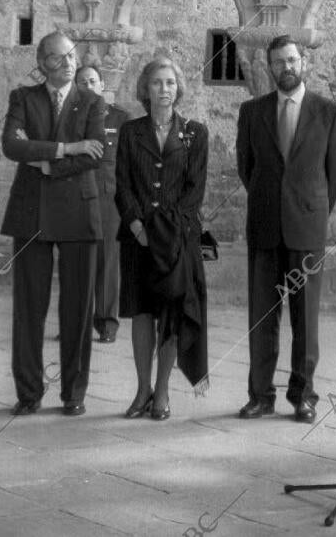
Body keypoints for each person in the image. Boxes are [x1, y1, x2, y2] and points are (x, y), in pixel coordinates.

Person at [236, 35, 336, 423]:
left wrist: (308, 209)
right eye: (279, 61)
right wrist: (274, 202)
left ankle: (304, 395)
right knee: (262, 318)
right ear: (269, 67)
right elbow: (246, 168)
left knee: (306, 319)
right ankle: (260, 395)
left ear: (304, 63)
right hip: (265, 226)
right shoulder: (252, 112)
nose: (287, 66)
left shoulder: (328, 113)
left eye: (292, 59)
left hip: (306, 229)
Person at [1, 31, 105, 417]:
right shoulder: (23, 98)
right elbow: (12, 145)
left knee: (78, 309)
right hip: (32, 214)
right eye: (59, 58)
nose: (69, 63)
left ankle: (73, 393)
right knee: (29, 308)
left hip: (79, 211)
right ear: (43, 62)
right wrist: (66, 148)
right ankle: (29, 393)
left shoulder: (93, 102)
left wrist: (44, 160)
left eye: (71, 56)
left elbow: (94, 153)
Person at [115, 57, 209, 420]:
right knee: (141, 314)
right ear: (146, 89)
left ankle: (163, 392)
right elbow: (123, 185)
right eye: (157, 83)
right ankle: (142, 389)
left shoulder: (195, 133)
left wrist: (166, 234)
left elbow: (193, 193)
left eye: (170, 83)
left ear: (178, 88)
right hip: (137, 240)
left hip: (176, 242)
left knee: (171, 315)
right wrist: (137, 227)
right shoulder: (130, 131)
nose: (164, 89)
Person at [75, 64, 129, 343]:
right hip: (75, 196)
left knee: (108, 261)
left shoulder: (120, 118)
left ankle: (107, 323)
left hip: (108, 198)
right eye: (81, 82)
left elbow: (128, 163)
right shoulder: (67, 119)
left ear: (101, 84)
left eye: (92, 81)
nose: (87, 86)